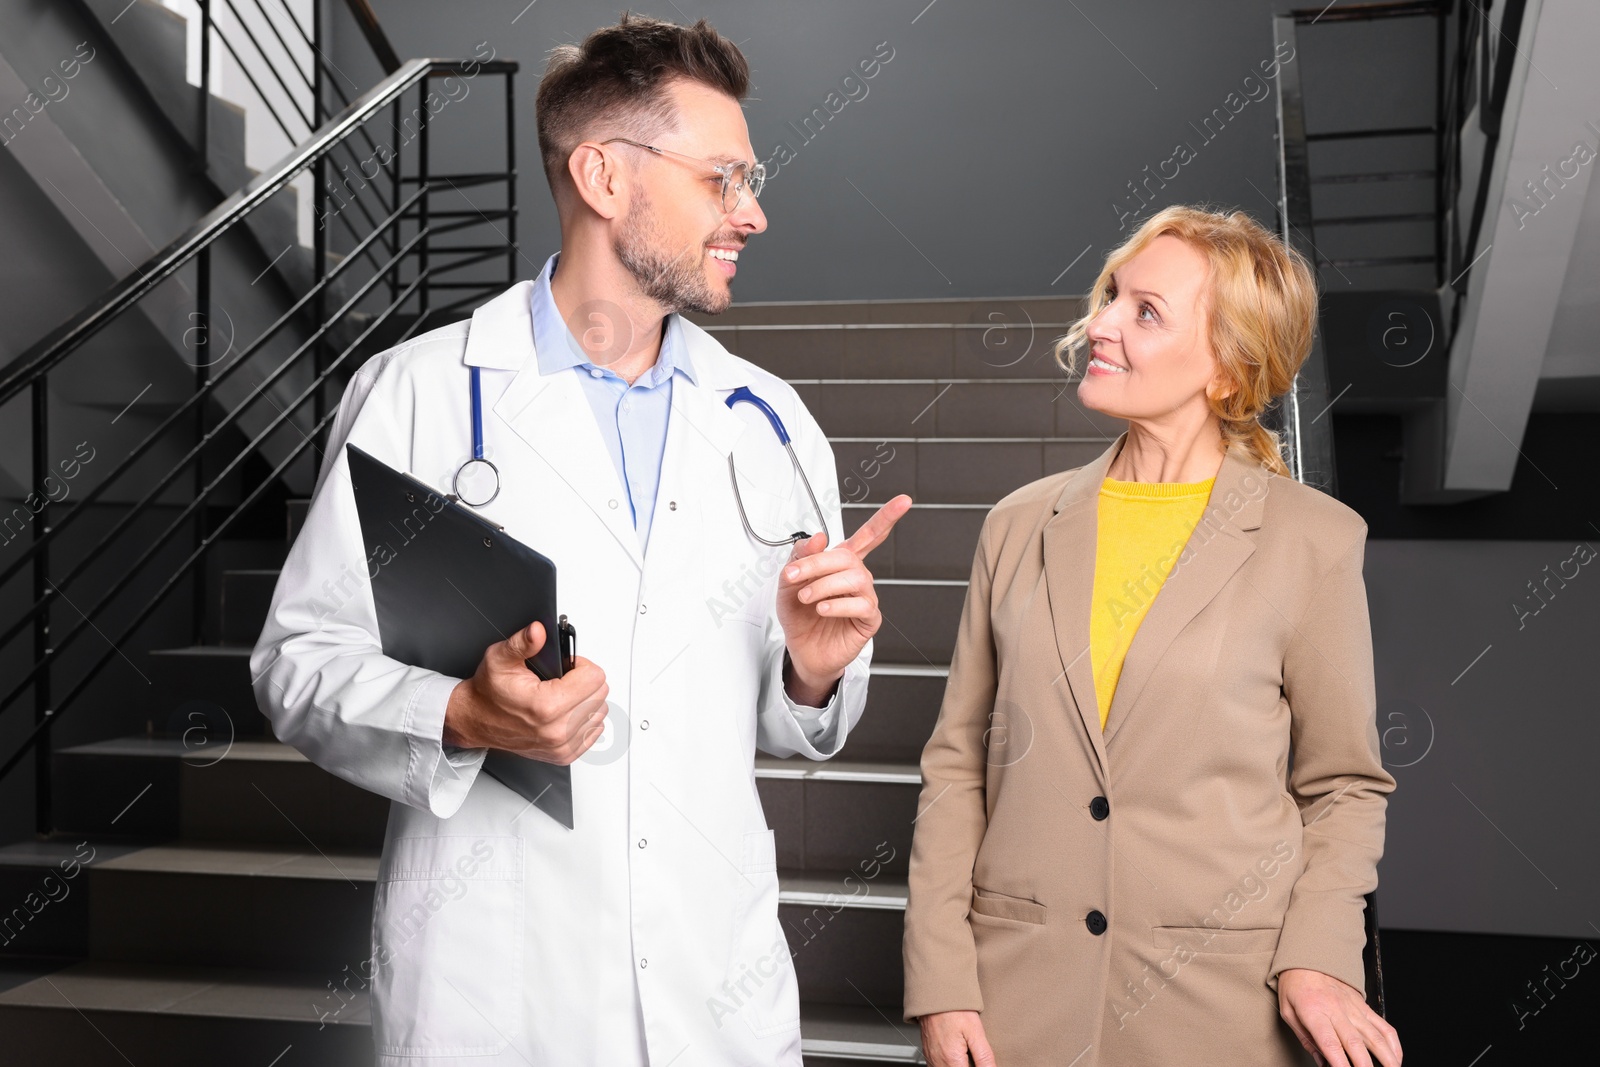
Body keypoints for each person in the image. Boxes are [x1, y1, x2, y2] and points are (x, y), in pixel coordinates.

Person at [250, 13, 911, 1066]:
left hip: (712, 985)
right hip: (496, 984)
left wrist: (812, 674)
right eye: (721, 180)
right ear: (604, 176)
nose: (755, 213)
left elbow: (793, 727)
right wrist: (460, 711)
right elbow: (297, 666)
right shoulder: (419, 395)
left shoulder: (770, 421)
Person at [901, 205, 1401, 1067]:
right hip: (1013, 1005)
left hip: (1222, 1011)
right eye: (1110, 296)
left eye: (1146, 311)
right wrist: (941, 980)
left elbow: (1345, 786)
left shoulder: (1315, 540)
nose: (1100, 324)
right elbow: (956, 765)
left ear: (1229, 368)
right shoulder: (1018, 524)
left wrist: (1320, 955)